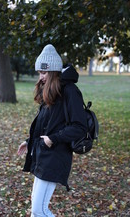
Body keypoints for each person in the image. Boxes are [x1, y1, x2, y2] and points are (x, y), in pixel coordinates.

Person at [17, 44, 87, 217]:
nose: (40, 77)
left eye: (44, 73)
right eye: (39, 72)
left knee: (38, 210)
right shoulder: (52, 90)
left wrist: (53, 139)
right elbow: (46, 123)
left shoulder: (70, 91)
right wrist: (29, 141)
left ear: (54, 71)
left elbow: (80, 127)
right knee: (36, 210)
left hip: (55, 156)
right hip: (43, 154)